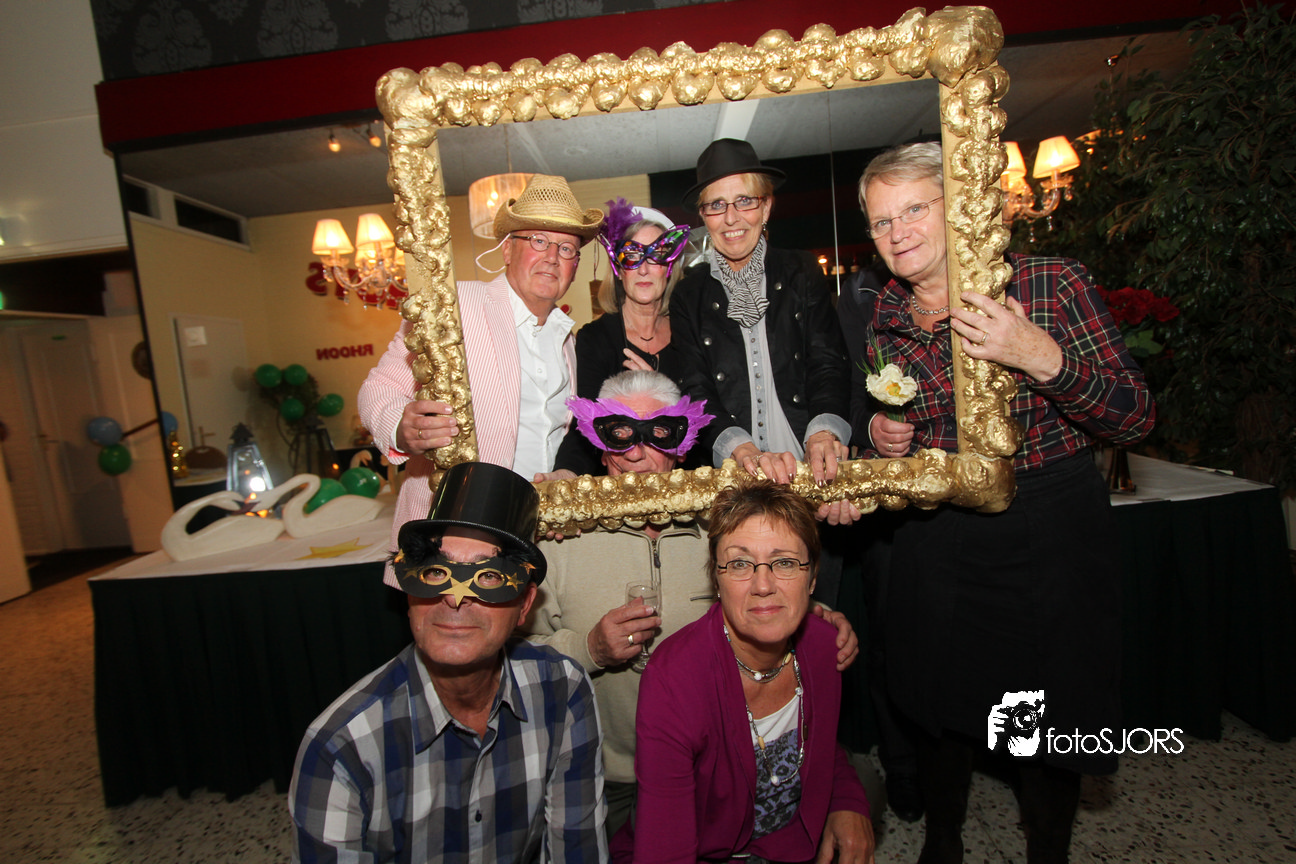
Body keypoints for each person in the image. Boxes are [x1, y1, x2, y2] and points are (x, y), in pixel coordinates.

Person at [832, 142, 1155, 863]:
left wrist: (1037, 354)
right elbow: (889, 428)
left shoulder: (1048, 283)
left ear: (958, 206)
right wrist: (881, 438)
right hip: (937, 529)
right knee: (935, 698)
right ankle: (943, 840)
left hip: (1049, 525)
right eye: (882, 221)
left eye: (914, 209)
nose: (898, 233)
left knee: (1050, 708)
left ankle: (1049, 852)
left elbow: (1134, 416)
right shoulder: (884, 315)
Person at [527, 369, 861, 840]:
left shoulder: (721, 530)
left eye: (657, 434)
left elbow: (768, 598)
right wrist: (589, 649)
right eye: (619, 433)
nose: (636, 454)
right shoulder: (560, 539)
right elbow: (514, 661)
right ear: (599, 445)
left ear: (682, 446)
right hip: (600, 772)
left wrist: (816, 621)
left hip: (714, 766)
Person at [289, 461, 606, 863]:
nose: (456, 599)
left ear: (525, 605)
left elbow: (577, 848)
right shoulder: (340, 749)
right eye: (436, 571)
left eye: (489, 577)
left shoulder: (563, 691)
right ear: (408, 593)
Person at [358, 174, 603, 587]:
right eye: (538, 241)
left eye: (566, 249)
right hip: (453, 533)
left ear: (575, 266)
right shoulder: (454, 306)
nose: (552, 257)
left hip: (536, 534)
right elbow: (379, 388)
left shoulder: (568, 340)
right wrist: (402, 426)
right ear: (507, 249)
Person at [614, 480, 874, 864]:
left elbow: (818, 747)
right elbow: (666, 846)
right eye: (739, 564)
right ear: (716, 580)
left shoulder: (825, 647)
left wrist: (847, 800)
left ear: (813, 578)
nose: (763, 585)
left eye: (785, 562)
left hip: (791, 844)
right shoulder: (673, 680)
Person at [670, 137, 851, 489]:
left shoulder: (802, 271)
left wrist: (822, 434)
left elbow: (828, 363)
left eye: (745, 201)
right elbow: (696, 389)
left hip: (811, 467)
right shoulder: (688, 295)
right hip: (736, 474)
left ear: (766, 207)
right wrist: (740, 449)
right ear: (703, 216)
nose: (731, 218)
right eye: (716, 205)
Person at [553, 199, 692, 476]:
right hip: (620, 482)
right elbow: (584, 425)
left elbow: (705, 417)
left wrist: (659, 390)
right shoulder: (596, 338)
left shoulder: (689, 334)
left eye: (656, 255)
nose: (643, 269)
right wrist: (566, 473)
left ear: (669, 267)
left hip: (682, 481)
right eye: (632, 256)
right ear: (618, 269)